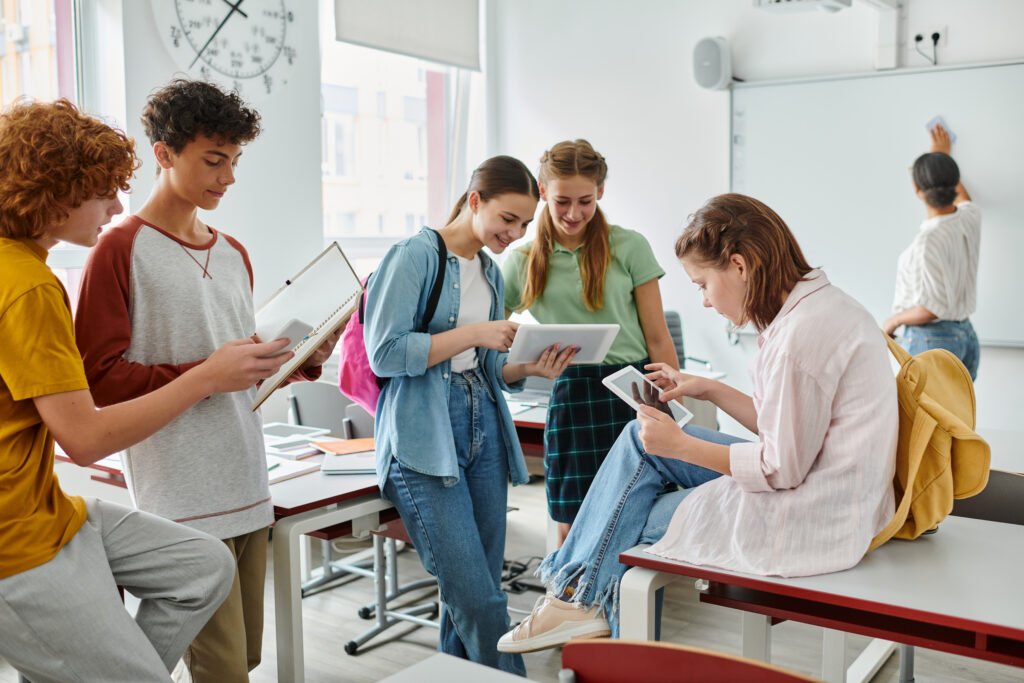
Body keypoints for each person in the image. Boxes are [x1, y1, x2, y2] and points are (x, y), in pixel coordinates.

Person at [498, 193, 898, 653]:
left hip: (815, 513)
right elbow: (784, 428)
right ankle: (575, 600)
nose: (704, 302)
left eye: (703, 284)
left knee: (628, 509)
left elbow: (781, 468)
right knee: (637, 445)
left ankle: (574, 599)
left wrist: (680, 446)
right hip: (827, 488)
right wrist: (706, 387)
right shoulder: (814, 308)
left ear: (740, 265)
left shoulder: (798, 337)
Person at [0, 98, 293, 682]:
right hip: (21, 534)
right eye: (102, 191)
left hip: (52, 507)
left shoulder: (25, 270)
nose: (114, 205)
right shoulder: (33, 284)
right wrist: (206, 375)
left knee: (203, 570)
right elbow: (84, 436)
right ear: (54, 193)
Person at [74, 79, 338, 682]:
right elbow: (99, 383)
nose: (228, 176)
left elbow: (239, 376)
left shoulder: (233, 253)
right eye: (213, 160)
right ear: (164, 154)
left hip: (247, 480)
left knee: (242, 657)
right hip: (179, 496)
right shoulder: (117, 250)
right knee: (221, 667)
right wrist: (208, 373)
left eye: (235, 160)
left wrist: (302, 355)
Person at [364, 156, 578, 674]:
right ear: (475, 200)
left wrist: (531, 365)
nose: (516, 233)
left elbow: (491, 368)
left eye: (526, 224)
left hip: (482, 421)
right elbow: (385, 354)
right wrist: (476, 334)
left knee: (473, 589)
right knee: (479, 600)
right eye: (508, 219)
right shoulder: (414, 256)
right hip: (422, 435)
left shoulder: (488, 271)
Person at [502, 139, 678, 545]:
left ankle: (622, 604)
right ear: (542, 191)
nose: (573, 213)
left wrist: (669, 403)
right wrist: (523, 365)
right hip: (573, 393)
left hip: (635, 387)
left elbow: (657, 336)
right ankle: (572, 604)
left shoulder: (629, 246)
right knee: (572, 517)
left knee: (637, 511)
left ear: (600, 191)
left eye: (585, 200)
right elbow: (492, 332)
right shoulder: (523, 260)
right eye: (562, 201)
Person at [883, 123, 980, 379]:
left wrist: (892, 322)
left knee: (924, 418)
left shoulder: (928, 241)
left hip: (932, 340)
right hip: (965, 336)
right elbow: (964, 198)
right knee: (955, 418)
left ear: (917, 189)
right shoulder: (970, 218)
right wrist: (942, 158)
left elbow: (931, 308)